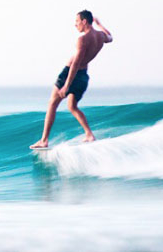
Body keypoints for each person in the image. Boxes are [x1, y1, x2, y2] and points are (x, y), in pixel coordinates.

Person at [30, 10, 113, 149]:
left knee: (52, 103)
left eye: (77, 22)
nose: (75, 25)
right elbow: (110, 37)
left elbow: (75, 64)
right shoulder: (100, 36)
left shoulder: (82, 39)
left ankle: (44, 140)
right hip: (83, 76)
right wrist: (100, 24)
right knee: (72, 106)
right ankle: (89, 134)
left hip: (71, 74)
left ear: (84, 21)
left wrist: (66, 85)